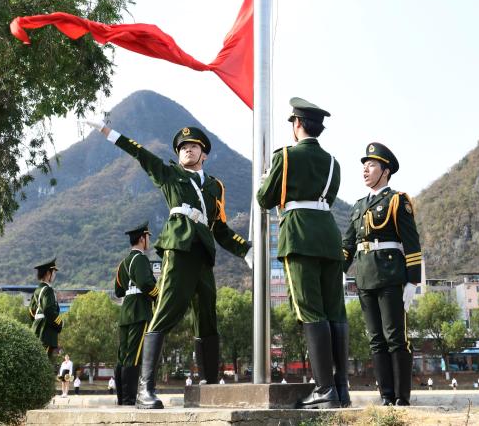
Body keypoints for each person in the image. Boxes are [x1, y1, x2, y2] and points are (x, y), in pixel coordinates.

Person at [88, 121, 251, 409]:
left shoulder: (215, 186)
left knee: (207, 316)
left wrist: (245, 251)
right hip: (178, 247)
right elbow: (141, 154)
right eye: (183, 148)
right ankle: (145, 389)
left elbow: (221, 228)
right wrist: (109, 132)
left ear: (204, 154)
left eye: (193, 146)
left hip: (203, 252)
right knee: (166, 310)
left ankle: (209, 385)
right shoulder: (169, 174)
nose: (187, 150)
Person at [257, 98, 346, 409]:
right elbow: (330, 197)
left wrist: (264, 178)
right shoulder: (334, 162)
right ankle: (340, 388)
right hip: (329, 237)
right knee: (336, 311)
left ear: (297, 124)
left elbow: (264, 199)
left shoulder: (285, 156)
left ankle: (324, 389)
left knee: (311, 312)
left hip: (300, 236)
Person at [343, 142, 422, 407]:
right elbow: (348, 246)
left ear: (385, 171)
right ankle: (386, 395)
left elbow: (411, 241)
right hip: (364, 277)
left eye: (372, 165)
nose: (366, 170)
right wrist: (338, 273)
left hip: (391, 275)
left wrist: (413, 280)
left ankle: (402, 396)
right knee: (376, 339)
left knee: (395, 337)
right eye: (364, 166)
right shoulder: (357, 206)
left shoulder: (397, 200)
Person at [113, 221, 159, 406]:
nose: (149, 241)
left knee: (123, 356)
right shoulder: (140, 259)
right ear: (142, 238)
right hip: (139, 312)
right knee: (133, 356)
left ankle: (122, 399)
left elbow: (118, 291)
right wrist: (158, 295)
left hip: (125, 313)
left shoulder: (122, 263)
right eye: (148, 237)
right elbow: (147, 284)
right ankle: (129, 399)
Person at [30, 259, 63, 362]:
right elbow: (48, 310)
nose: (54, 275)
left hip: (37, 328)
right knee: (44, 361)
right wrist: (60, 323)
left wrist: (37, 322)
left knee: (38, 360)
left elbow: (31, 311)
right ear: (48, 273)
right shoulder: (48, 290)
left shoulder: (37, 290)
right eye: (54, 272)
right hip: (46, 332)